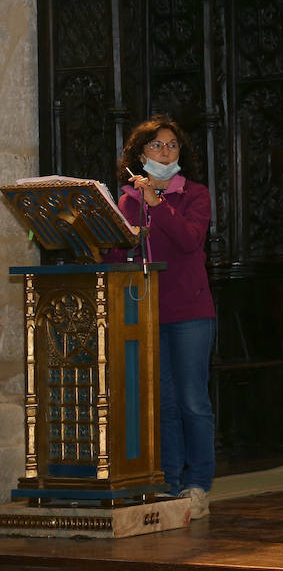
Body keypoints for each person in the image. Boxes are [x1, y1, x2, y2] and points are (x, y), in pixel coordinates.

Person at [115, 116, 217, 520]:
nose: (165, 153)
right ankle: (170, 482)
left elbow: (191, 240)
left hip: (190, 311)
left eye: (172, 146)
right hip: (146, 311)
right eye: (156, 147)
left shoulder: (194, 195)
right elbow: (116, 254)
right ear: (140, 155)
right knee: (165, 401)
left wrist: (159, 206)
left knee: (194, 401)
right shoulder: (127, 200)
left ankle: (199, 483)